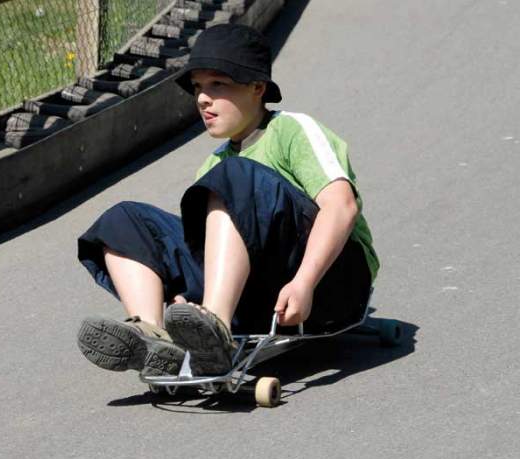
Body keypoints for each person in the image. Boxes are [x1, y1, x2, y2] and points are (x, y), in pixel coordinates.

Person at [76, 24, 379, 377]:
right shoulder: (213, 164)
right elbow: (210, 253)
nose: (203, 99)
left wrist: (304, 283)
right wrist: (184, 299)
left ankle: (214, 329)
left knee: (234, 176)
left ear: (257, 87)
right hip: (257, 299)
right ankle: (155, 336)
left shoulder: (291, 131)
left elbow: (342, 206)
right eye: (198, 88)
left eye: (218, 85)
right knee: (124, 219)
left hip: (332, 284)